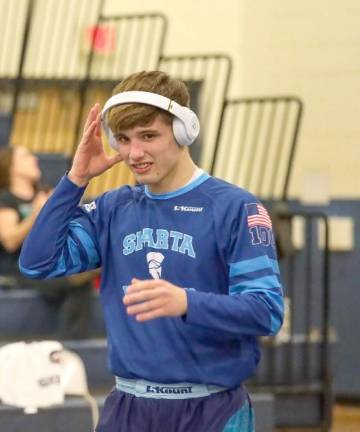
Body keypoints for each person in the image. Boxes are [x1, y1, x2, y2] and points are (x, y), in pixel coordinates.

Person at [19, 70, 284, 431]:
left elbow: (266, 311)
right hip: (128, 408)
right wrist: (76, 180)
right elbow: (37, 262)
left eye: (148, 136)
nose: (135, 153)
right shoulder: (113, 209)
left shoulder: (235, 208)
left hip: (210, 409)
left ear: (182, 131)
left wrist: (187, 302)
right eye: (124, 139)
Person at [0, 146, 94, 339]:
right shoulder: (6, 199)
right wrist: (38, 213)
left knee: (80, 279)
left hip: (56, 258)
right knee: (78, 280)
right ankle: (72, 344)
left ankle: (74, 342)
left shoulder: (46, 192)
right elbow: (10, 241)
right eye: (26, 156)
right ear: (10, 166)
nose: (34, 159)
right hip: (27, 268)